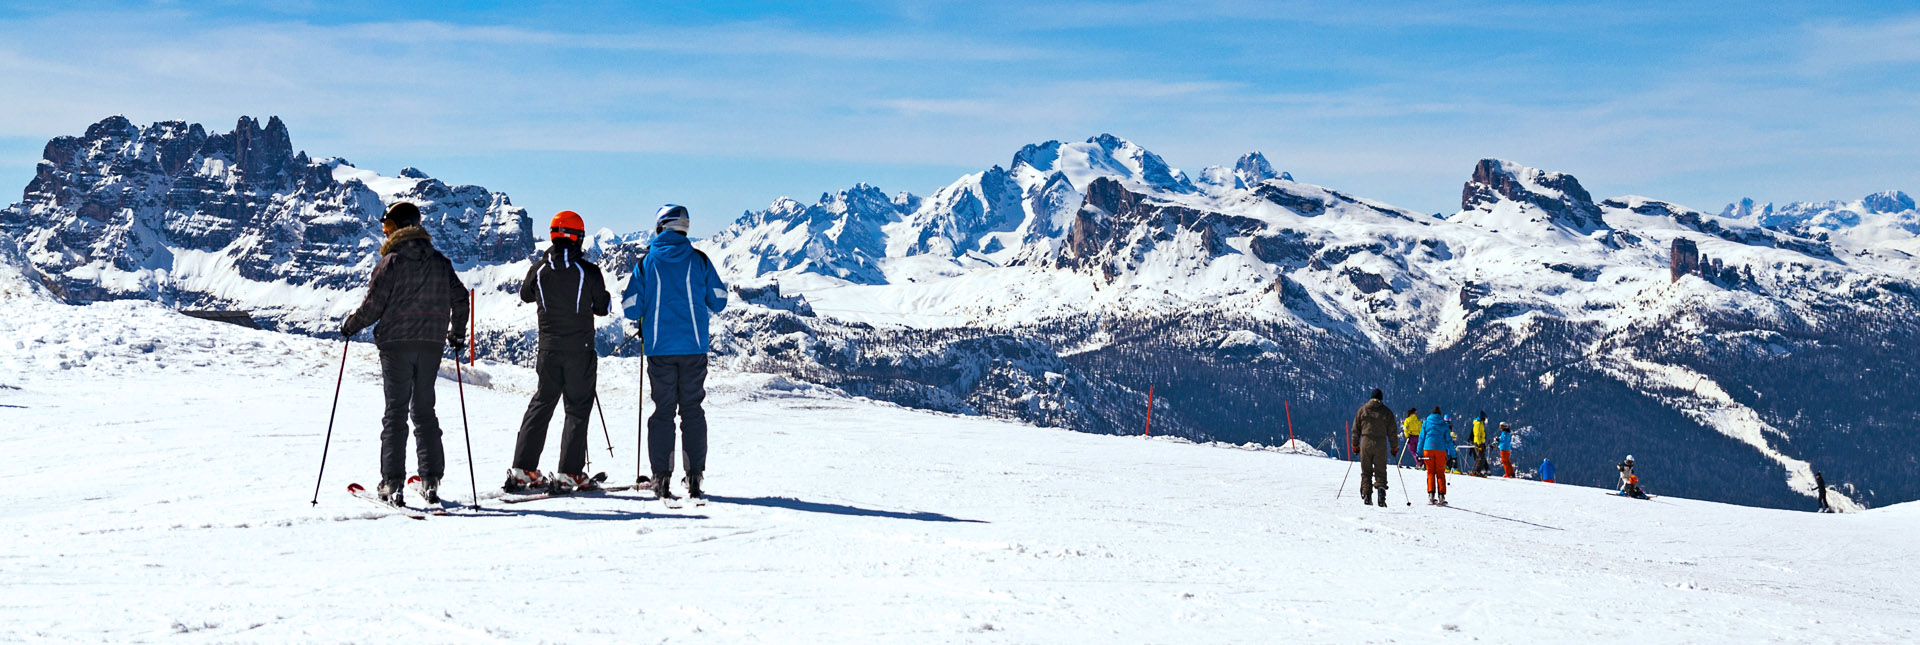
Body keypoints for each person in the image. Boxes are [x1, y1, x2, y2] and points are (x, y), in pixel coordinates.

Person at [340, 202, 469, 505]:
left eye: (387, 227)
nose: (384, 233)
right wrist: (456, 334)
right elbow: (461, 298)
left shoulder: (391, 262)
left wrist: (350, 326)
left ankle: (392, 484)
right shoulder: (440, 261)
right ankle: (431, 481)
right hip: (431, 345)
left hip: (396, 346)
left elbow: (373, 307)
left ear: (399, 227)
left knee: (395, 413)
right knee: (425, 411)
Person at [622, 204, 728, 506]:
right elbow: (719, 301)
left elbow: (631, 306)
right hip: (694, 347)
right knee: (692, 409)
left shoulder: (647, 262)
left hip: (659, 349)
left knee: (663, 412)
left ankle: (661, 477)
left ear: (660, 227)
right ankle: (694, 477)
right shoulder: (699, 260)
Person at [504, 211, 612, 494]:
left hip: (548, 350)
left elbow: (526, 295)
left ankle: (523, 469)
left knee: (542, 405)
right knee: (576, 409)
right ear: (578, 238)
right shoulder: (588, 272)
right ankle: (569, 473)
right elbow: (602, 307)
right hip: (580, 350)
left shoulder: (539, 269)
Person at [1350, 389, 1399, 508]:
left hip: (1365, 441)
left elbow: (1355, 429)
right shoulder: (1386, 412)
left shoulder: (1362, 410)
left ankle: (1367, 495)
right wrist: (1394, 447)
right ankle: (1381, 495)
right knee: (1380, 470)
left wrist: (1355, 444)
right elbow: (1392, 431)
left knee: (1366, 470)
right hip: (1381, 443)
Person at [1420, 406, 1452, 505]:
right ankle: (1441, 497)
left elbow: (1421, 438)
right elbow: (1449, 441)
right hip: (1440, 450)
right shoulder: (1443, 424)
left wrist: (1418, 452)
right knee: (1440, 473)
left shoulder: (1426, 423)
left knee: (1430, 472)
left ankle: (1431, 496)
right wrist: (1453, 454)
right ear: (1440, 414)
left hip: (1427, 449)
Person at [1471, 411, 1489, 477]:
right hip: (1478, 443)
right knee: (1480, 457)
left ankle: (1477, 471)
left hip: (1481, 442)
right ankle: (1476, 471)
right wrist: (1479, 444)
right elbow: (1477, 434)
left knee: (1482, 457)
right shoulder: (1478, 424)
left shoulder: (1481, 423)